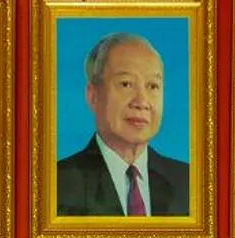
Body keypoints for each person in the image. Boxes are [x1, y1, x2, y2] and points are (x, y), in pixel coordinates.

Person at [55, 32, 190, 217]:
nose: (142, 102)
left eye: (153, 86)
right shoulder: (55, 185)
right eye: (126, 84)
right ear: (93, 96)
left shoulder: (190, 183)